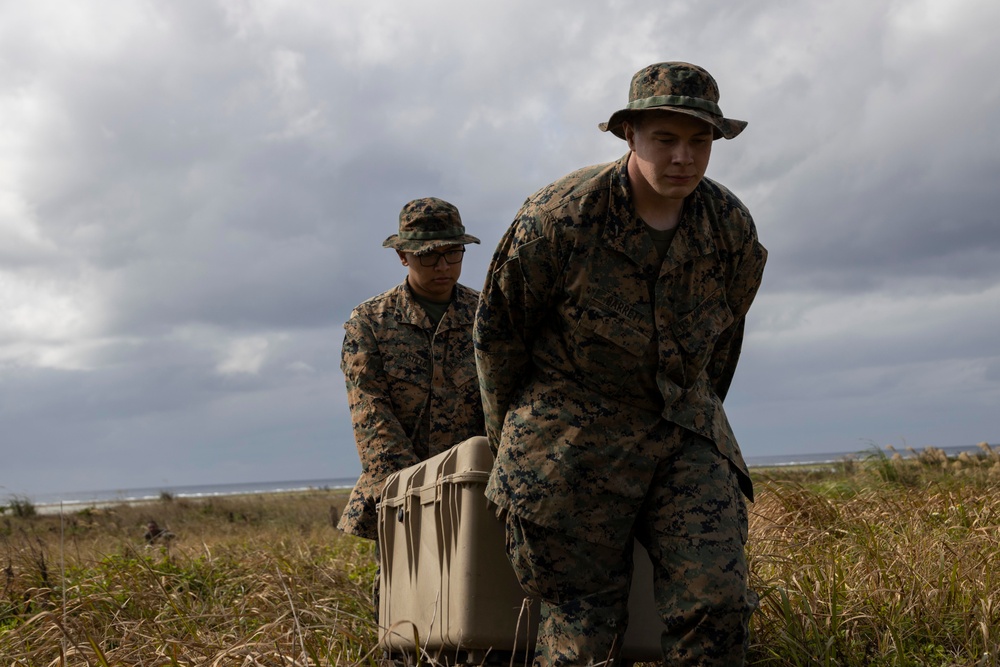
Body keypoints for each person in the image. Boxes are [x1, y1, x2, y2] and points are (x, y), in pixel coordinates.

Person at [474, 62, 767, 666]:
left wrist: (700, 415)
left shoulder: (729, 225)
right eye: (665, 138)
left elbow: (723, 338)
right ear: (629, 136)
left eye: (700, 140)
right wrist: (515, 449)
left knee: (718, 603)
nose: (683, 156)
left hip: (683, 428)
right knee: (584, 627)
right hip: (570, 439)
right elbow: (499, 338)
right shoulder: (558, 218)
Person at [337, 197, 485, 543]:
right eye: (428, 256)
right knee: (401, 591)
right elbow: (370, 412)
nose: (443, 266)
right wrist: (410, 489)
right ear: (403, 256)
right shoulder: (370, 321)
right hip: (400, 493)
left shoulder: (487, 313)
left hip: (474, 484)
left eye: (453, 253)